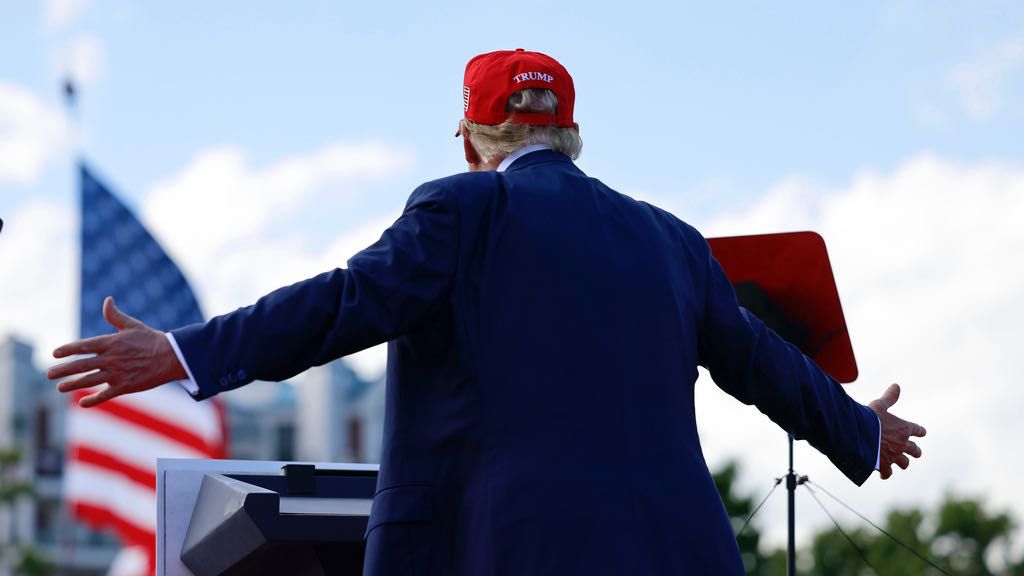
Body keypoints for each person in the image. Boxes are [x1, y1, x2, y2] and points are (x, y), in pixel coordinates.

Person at [48, 49, 926, 575]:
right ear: (572, 138)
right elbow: (761, 361)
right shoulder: (672, 240)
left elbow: (344, 305)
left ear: (471, 143)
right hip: (679, 552)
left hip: (508, 550)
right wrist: (857, 429)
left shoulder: (464, 210)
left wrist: (186, 353)